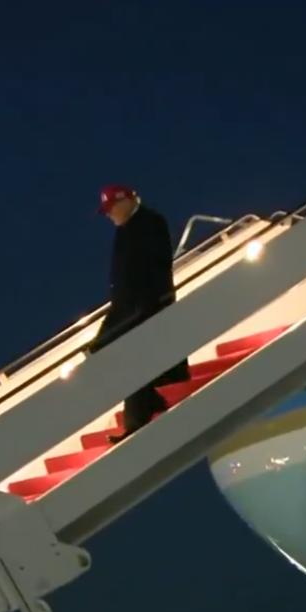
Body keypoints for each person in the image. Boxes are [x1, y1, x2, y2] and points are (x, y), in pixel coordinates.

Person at [87, 184, 191, 444]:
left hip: (144, 308)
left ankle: (138, 417)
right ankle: (150, 401)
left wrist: (150, 305)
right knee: (103, 352)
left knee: (133, 359)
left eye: (111, 208)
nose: (109, 215)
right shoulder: (125, 230)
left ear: (126, 202)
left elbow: (155, 268)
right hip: (124, 310)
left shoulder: (150, 222)